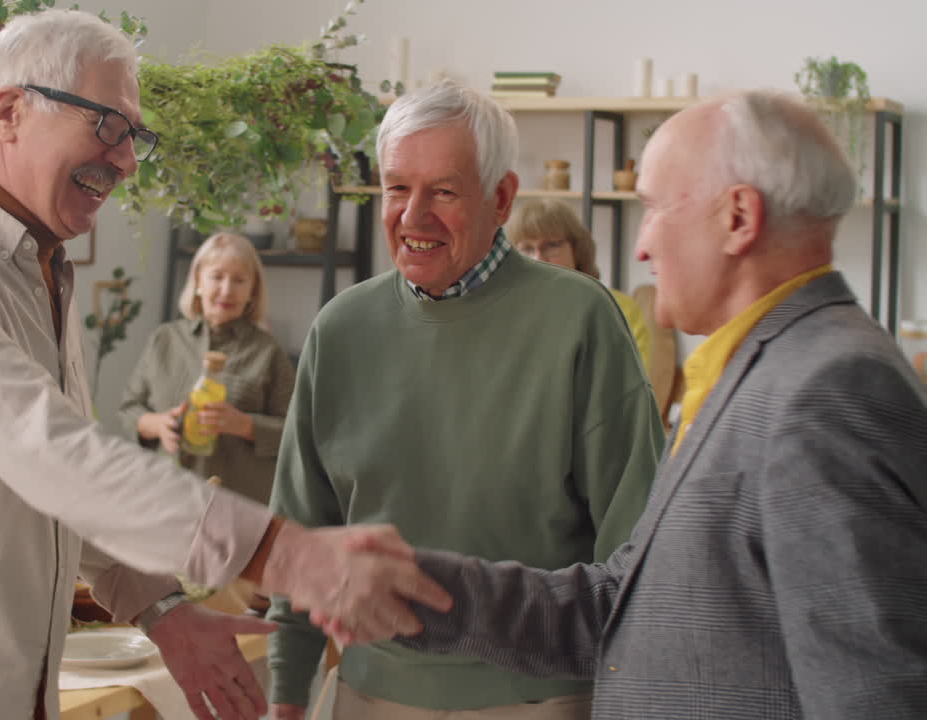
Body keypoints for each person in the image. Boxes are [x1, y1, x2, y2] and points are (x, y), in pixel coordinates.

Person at [0, 10, 451, 720]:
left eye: (135, 137)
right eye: (108, 126)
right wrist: (289, 555)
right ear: (8, 113)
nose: (128, 159)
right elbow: (51, 452)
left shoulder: (39, 269)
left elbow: (52, 485)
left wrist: (162, 610)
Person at [370, 91, 927, 719]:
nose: (640, 246)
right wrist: (404, 585)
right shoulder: (759, 372)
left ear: (739, 218)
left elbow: (877, 699)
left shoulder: (827, 393)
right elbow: (622, 605)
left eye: (656, 208)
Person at [267, 81, 665, 720]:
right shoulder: (340, 329)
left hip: (539, 698)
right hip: (366, 694)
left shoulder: (580, 320)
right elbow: (301, 529)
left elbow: (637, 543)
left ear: (502, 198)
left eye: (443, 191)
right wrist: (286, 694)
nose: (413, 216)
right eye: (398, 188)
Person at [121, 232, 295, 505]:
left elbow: (297, 434)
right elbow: (129, 409)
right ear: (198, 281)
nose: (227, 290)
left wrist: (246, 425)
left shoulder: (268, 352)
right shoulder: (163, 339)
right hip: (166, 497)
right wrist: (158, 425)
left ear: (253, 290)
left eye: (239, 280)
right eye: (217, 277)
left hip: (240, 504)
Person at [511, 200, 651, 373]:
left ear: (577, 250)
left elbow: (631, 384)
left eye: (551, 245)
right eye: (527, 249)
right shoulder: (507, 311)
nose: (539, 258)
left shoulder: (619, 309)